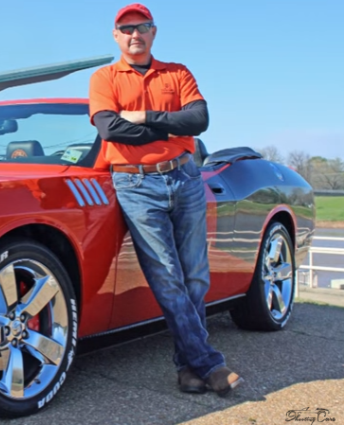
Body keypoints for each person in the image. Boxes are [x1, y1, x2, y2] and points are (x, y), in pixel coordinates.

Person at [88, 3, 242, 397]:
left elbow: (199, 120)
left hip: (186, 178)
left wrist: (143, 118)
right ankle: (209, 363)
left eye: (141, 27)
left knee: (195, 276)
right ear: (115, 36)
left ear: (153, 32)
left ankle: (188, 368)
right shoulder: (104, 77)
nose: (134, 34)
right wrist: (169, 130)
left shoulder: (177, 72)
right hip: (135, 186)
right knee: (167, 276)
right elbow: (109, 128)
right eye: (126, 29)